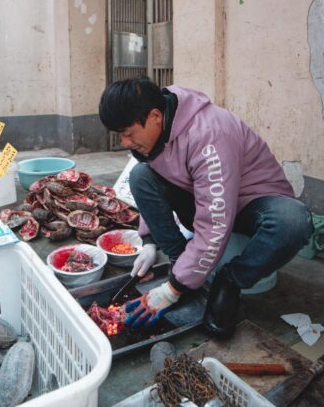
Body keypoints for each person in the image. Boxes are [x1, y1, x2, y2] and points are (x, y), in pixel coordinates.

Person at [99, 78, 313, 338]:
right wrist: (150, 241)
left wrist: (172, 289)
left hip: (252, 205)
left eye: (128, 133)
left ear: (155, 116)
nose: (124, 142)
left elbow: (215, 221)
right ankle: (181, 261)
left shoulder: (208, 134)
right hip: (208, 202)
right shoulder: (160, 128)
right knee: (141, 176)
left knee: (293, 221)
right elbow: (165, 184)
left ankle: (231, 280)